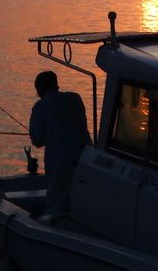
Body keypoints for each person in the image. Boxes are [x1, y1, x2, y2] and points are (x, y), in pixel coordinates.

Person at [28, 70, 91, 220]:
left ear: (40, 88)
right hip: (86, 159)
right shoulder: (75, 98)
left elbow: (37, 140)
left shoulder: (40, 107)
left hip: (59, 165)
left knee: (55, 211)